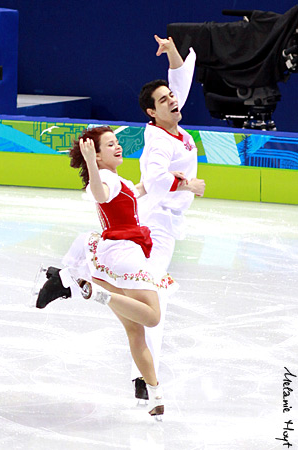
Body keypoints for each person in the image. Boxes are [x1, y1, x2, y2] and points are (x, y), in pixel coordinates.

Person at [34, 125, 191, 418]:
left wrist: (176, 182)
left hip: (112, 258)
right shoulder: (105, 177)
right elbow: (101, 194)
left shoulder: (119, 180)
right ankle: (100, 294)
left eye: (116, 142)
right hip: (125, 255)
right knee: (153, 317)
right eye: (109, 145)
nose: (117, 147)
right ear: (96, 154)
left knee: (136, 330)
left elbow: (140, 190)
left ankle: (155, 394)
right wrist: (93, 164)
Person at [130, 35, 205, 400]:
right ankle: (144, 376)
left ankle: (141, 374)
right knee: (153, 299)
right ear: (151, 112)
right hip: (156, 225)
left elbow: (180, 83)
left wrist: (172, 51)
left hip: (164, 221)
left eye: (171, 98)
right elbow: (157, 179)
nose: (173, 101)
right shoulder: (158, 140)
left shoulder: (170, 123)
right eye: (164, 101)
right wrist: (189, 183)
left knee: (149, 296)